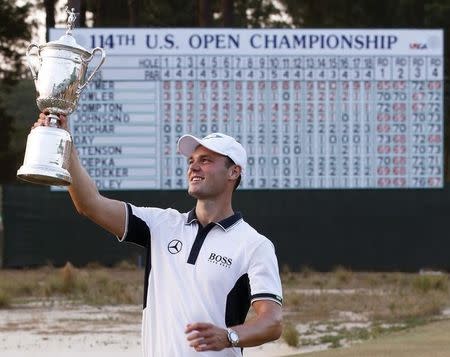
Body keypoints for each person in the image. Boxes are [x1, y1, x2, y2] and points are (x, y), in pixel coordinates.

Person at [33, 113, 283, 356]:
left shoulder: (254, 245)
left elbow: (272, 322)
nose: (194, 166)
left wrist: (229, 337)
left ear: (233, 172)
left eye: (206, 160)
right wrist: (65, 145)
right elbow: (89, 204)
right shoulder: (161, 224)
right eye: (191, 161)